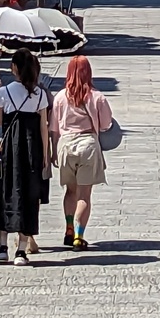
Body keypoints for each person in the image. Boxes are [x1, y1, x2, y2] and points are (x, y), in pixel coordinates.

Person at [0, 47, 50, 265]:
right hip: (32, 151)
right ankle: (21, 251)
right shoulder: (40, 94)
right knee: (29, 197)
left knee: (4, 193)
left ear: (14, 67)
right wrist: (45, 155)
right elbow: (43, 126)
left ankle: (2, 246)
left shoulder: (4, 91)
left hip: (9, 150)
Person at [51, 55, 114, 251]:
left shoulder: (60, 97)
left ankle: (69, 227)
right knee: (84, 195)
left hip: (66, 145)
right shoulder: (97, 97)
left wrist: (53, 151)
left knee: (70, 191)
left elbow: (54, 127)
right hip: (87, 145)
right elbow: (106, 124)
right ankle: (79, 235)